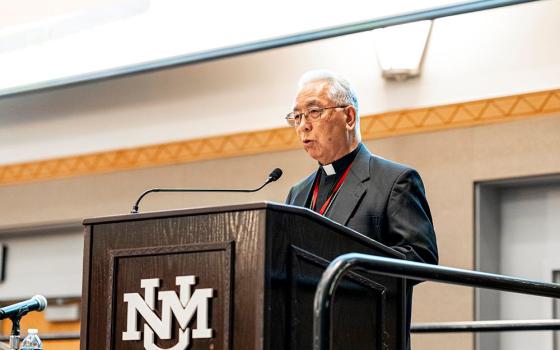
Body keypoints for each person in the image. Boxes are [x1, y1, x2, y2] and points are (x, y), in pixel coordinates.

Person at [285, 70, 438, 349]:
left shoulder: (394, 180)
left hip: (366, 333)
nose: (303, 126)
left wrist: (349, 272)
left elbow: (421, 257)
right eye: (297, 117)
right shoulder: (298, 193)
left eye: (314, 112)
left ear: (349, 117)